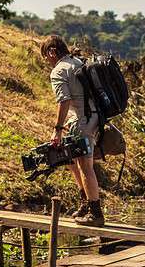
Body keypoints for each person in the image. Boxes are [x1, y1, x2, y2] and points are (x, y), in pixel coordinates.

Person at [39, 34, 104, 225]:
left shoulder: (59, 70)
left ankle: (96, 214)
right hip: (94, 118)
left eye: (45, 57)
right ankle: (85, 201)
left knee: (85, 166)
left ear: (52, 52)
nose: (46, 62)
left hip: (83, 122)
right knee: (71, 159)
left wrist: (58, 129)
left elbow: (64, 101)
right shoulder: (78, 61)